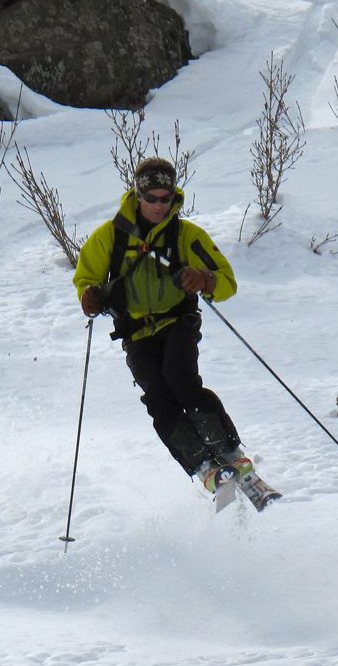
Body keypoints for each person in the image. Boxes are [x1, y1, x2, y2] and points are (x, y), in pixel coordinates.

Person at [72, 157, 248, 491]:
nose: (158, 205)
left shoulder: (187, 236)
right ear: (137, 195)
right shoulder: (109, 236)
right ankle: (205, 467)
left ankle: (229, 452)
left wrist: (204, 279)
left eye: (164, 199)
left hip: (178, 321)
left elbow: (227, 283)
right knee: (158, 398)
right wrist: (88, 296)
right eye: (150, 198)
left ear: (173, 197)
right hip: (136, 332)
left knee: (181, 380)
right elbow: (86, 278)